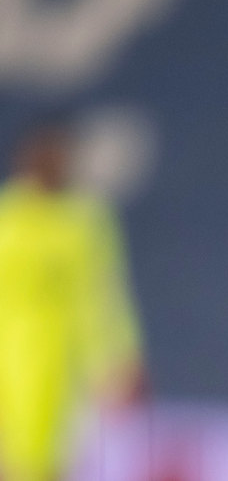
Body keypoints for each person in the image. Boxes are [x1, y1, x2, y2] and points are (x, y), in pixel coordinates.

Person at [0, 119, 145, 481]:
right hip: (8, 349)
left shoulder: (84, 221)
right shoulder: (8, 216)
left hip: (60, 358)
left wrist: (120, 356)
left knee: (44, 456)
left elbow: (102, 295)